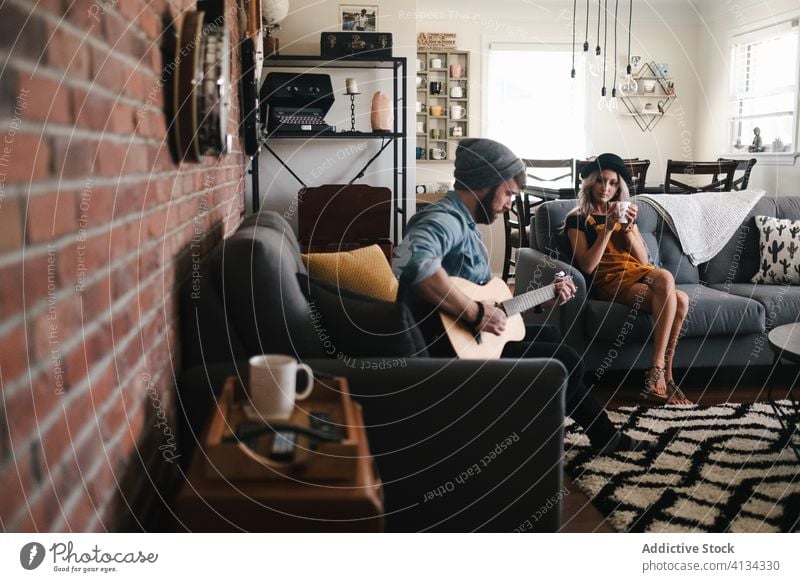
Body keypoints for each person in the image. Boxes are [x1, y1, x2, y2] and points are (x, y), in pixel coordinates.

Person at [394, 139, 651, 454]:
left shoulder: (464, 223)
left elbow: (489, 303)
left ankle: (590, 434)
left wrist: (541, 298)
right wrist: (474, 312)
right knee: (565, 359)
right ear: (486, 185)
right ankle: (561, 438)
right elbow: (412, 262)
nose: (510, 204)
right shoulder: (444, 218)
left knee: (554, 336)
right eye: (509, 194)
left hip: (463, 338)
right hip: (443, 351)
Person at [565, 153, 691, 404]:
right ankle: (660, 372)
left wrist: (630, 228)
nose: (606, 188)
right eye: (601, 181)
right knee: (673, 290)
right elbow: (588, 266)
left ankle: (663, 374)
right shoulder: (577, 218)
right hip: (608, 281)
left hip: (636, 274)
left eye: (613, 183)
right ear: (590, 183)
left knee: (681, 298)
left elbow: (643, 262)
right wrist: (609, 228)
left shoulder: (624, 214)